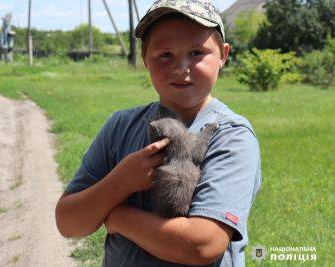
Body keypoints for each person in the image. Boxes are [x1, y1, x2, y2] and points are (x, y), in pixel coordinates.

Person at [55, 0, 262, 266]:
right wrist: (121, 181)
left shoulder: (231, 135)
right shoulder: (120, 126)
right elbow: (68, 223)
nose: (181, 68)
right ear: (145, 59)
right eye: (165, 55)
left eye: (197, 53)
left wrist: (120, 218)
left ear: (223, 55)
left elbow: (202, 245)